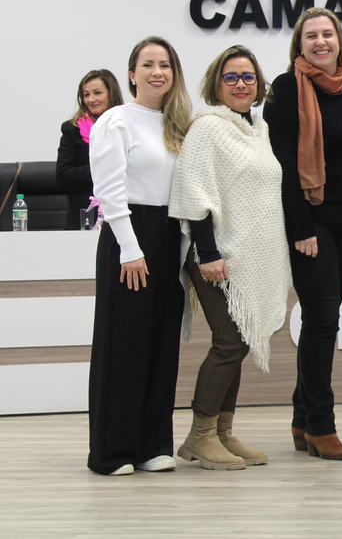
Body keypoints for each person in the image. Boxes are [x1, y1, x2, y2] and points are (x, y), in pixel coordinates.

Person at [168, 45, 290, 470]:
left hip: (250, 257)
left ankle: (221, 432)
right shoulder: (207, 128)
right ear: (216, 85)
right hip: (215, 254)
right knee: (229, 342)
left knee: (237, 342)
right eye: (231, 77)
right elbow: (194, 193)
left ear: (259, 85)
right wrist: (208, 252)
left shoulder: (259, 128)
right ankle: (199, 436)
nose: (241, 84)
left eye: (248, 77)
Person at [264, 7, 342, 461]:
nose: (321, 42)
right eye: (312, 36)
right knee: (324, 318)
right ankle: (321, 426)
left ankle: (300, 416)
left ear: (339, 40)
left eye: (328, 34)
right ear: (300, 43)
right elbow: (284, 163)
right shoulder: (287, 88)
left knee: (322, 318)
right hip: (314, 219)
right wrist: (300, 226)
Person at [87, 36, 192, 475]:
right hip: (129, 237)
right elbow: (109, 191)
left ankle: (152, 445)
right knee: (124, 345)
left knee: (161, 344)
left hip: (168, 239)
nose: (157, 72)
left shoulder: (177, 124)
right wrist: (130, 249)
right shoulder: (116, 120)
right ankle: (112, 452)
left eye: (164, 65)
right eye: (147, 64)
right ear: (131, 73)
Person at [56, 70, 124, 230]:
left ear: (111, 94)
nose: (91, 99)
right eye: (86, 95)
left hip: (121, 213)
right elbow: (63, 176)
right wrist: (104, 169)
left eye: (97, 93)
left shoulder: (127, 126)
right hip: (83, 217)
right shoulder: (72, 129)